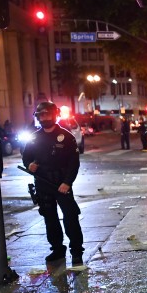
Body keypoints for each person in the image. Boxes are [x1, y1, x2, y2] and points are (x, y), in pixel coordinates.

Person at [22, 101, 84, 265]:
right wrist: (30, 165)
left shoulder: (66, 136)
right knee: (50, 219)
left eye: (47, 114)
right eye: (41, 115)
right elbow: (26, 156)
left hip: (62, 184)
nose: (44, 118)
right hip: (43, 184)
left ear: (55, 115)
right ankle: (57, 249)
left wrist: (67, 182)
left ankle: (76, 251)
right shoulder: (34, 137)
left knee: (70, 218)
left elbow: (74, 163)